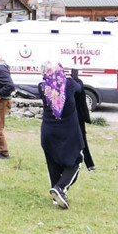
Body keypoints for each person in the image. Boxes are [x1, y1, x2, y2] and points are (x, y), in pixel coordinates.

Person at [39, 62, 84, 209]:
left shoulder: (42, 87)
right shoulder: (69, 84)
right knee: (76, 160)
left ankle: (56, 195)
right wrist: (75, 76)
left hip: (48, 132)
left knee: (53, 163)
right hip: (68, 132)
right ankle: (60, 188)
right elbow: (80, 88)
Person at [69, 70, 95, 171]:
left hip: (75, 116)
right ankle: (89, 164)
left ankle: (88, 164)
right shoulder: (78, 84)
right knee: (81, 140)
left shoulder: (74, 84)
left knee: (80, 140)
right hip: (78, 116)